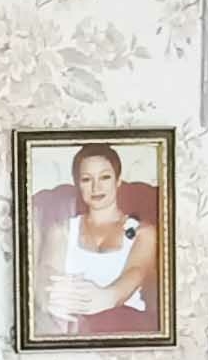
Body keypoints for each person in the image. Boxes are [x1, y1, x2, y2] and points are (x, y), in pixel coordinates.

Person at [32, 142, 163, 339]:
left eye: (105, 177)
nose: (96, 187)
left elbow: (134, 273)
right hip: (70, 329)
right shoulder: (62, 230)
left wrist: (107, 296)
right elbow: (46, 271)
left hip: (125, 327)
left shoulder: (143, 232)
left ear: (118, 181)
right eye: (86, 179)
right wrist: (47, 295)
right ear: (78, 184)